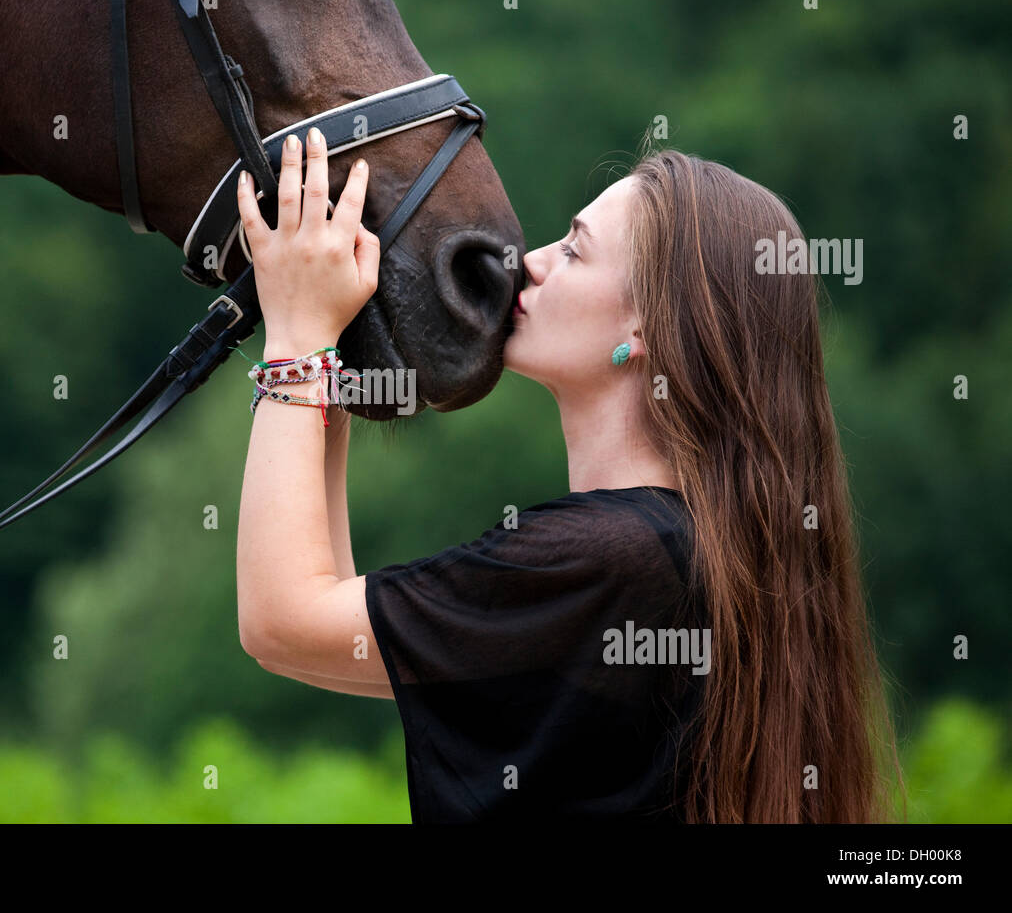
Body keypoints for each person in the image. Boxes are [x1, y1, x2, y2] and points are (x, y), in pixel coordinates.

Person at [234, 125, 903, 823]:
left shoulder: (611, 560)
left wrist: (295, 338)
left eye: (574, 251)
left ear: (642, 330)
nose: (533, 261)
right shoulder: (681, 555)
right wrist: (329, 356)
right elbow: (322, 636)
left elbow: (282, 623)